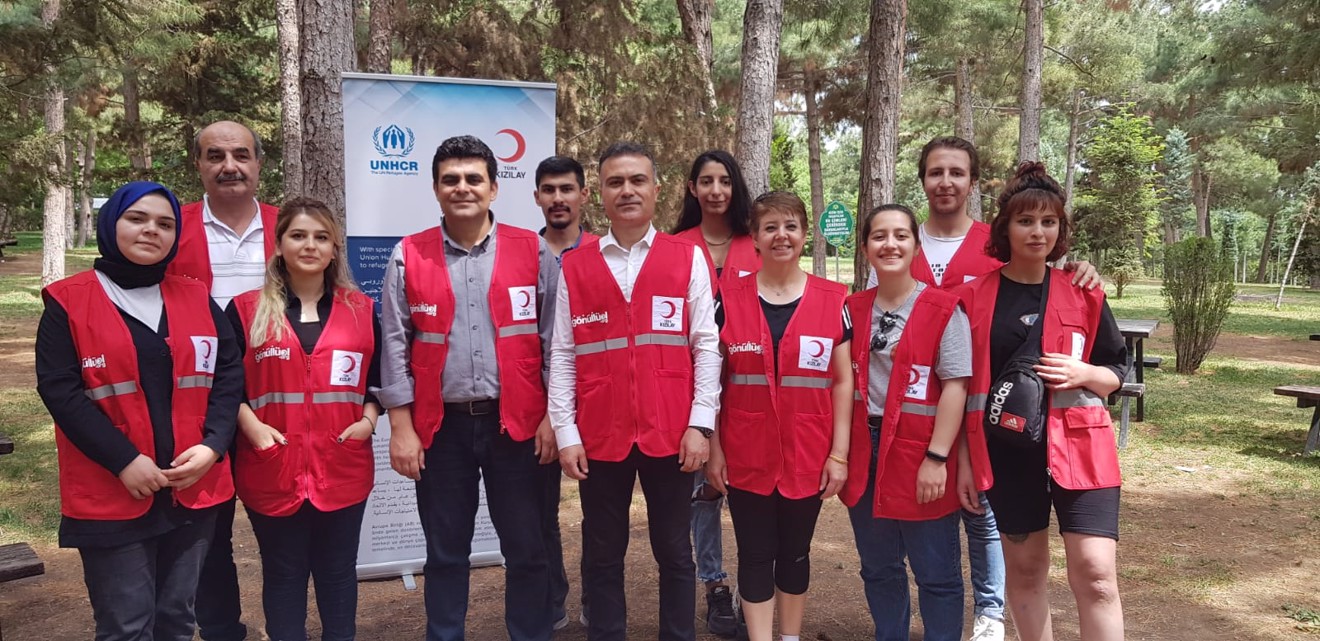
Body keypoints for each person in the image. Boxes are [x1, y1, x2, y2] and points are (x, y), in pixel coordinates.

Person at [865, 136, 1102, 641]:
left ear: (972, 182)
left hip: (985, 405)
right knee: (943, 522)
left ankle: (990, 612)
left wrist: (1080, 273)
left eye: (956, 172)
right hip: (914, 411)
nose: (945, 181)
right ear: (923, 179)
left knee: (984, 517)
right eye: (935, 172)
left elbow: (1035, 281)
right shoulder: (901, 237)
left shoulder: (991, 244)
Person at [36, 181, 243, 641]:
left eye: (165, 224)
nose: (152, 230)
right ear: (111, 224)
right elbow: (60, 391)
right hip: (113, 491)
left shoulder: (195, 296)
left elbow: (228, 376)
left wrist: (213, 445)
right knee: (127, 626)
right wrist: (125, 461)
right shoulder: (69, 301)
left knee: (176, 619)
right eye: (137, 218)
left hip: (191, 487)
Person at [378, 135, 559, 641]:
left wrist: (551, 418)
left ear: (494, 188)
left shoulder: (534, 251)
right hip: (442, 429)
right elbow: (394, 345)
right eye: (450, 180)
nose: (462, 188)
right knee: (446, 552)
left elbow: (553, 342)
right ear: (436, 190)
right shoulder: (408, 255)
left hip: (518, 426)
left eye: (473, 178)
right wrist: (401, 428)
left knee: (527, 549)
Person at [550, 141, 721, 641]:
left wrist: (699, 424)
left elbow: (707, 348)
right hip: (600, 434)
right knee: (602, 553)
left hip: (671, 433)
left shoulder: (685, 258)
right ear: (597, 193)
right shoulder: (577, 266)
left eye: (637, 180)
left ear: (656, 188)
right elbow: (562, 353)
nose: (627, 190)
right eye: (615, 182)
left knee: (674, 551)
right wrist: (566, 431)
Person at [956, 163, 1127, 641]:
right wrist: (967, 461)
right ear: (1005, 228)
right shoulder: (974, 298)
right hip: (1009, 455)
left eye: (1048, 222)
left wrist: (1086, 373)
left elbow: (1116, 369)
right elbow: (966, 388)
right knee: (1027, 571)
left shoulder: (1084, 290)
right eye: (1025, 221)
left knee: (1096, 574)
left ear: (1061, 229)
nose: (1037, 232)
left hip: (1083, 452)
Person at [224, 198, 383, 641]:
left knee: (337, 575)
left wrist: (369, 421)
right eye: (298, 235)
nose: (309, 245)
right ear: (278, 246)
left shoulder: (363, 310)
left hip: (342, 465)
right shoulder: (244, 310)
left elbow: (379, 381)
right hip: (273, 467)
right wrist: (250, 425)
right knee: (284, 575)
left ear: (334, 248)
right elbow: (224, 388)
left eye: (321, 237)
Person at [705, 192, 852, 641]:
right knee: (753, 553)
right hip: (744, 454)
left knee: (794, 553)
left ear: (805, 235)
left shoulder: (833, 299)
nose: (780, 236)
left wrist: (839, 455)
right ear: (754, 238)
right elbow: (710, 381)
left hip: (808, 454)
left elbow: (843, 381)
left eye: (790, 226)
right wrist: (713, 450)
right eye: (770, 227)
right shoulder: (727, 299)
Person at [842, 204, 973, 641]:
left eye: (901, 235)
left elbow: (956, 385)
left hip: (921, 452)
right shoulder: (851, 309)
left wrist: (937, 458)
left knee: (935, 571)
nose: (890, 244)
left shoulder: (941, 308)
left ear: (916, 245)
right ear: (865, 249)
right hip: (866, 452)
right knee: (879, 567)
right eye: (879, 236)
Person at [171, 119, 280, 641]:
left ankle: (286, 626)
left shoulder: (289, 227)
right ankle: (220, 629)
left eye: (241, 155)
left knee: (282, 527)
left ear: (259, 164)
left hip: (276, 401)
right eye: (215, 156)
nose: (229, 166)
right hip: (196, 405)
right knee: (206, 534)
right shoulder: (172, 228)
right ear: (199, 165)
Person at [671, 149, 759, 636]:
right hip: (695, 386)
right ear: (692, 187)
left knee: (747, 492)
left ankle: (754, 588)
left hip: (749, 386)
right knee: (703, 492)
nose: (716, 191)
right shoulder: (676, 246)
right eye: (706, 181)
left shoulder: (756, 242)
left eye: (725, 180)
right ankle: (715, 585)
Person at [532, 154, 599, 630]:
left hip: (596, 409)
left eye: (567, 189)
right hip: (533, 410)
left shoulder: (603, 251)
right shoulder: (518, 252)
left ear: (583, 195)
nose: (558, 198)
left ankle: (597, 601)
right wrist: (549, 416)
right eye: (549, 190)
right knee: (539, 517)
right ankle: (550, 601)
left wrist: (570, 416)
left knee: (600, 520)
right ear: (537, 196)